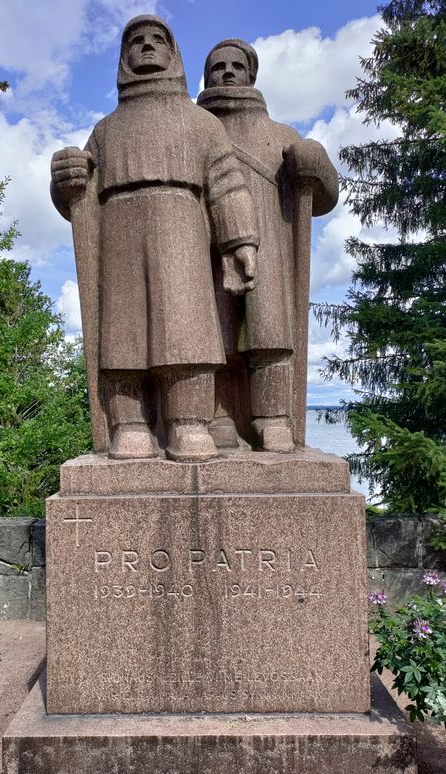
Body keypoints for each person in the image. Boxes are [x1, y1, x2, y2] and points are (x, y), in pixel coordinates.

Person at [50, 18, 259, 462]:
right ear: (124, 58)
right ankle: (129, 424)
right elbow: (78, 194)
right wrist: (65, 176)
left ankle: (188, 424)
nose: (146, 46)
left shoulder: (201, 123)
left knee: (187, 331)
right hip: (120, 232)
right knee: (123, 336)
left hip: (182, 225)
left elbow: (227, 185)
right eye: (136, 42)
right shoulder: (105, 130)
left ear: (173, 53)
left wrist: (240, 241)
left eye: (157, 40)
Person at [198, 39, 339, 451]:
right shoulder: (194, 128)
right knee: (216, 335)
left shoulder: (280, 134)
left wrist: (313, 162)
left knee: (269, 335)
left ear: (250, 75)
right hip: (205, 248)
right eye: (217, 66)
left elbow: (325, 195)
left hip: (272, 249)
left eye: (235, 66)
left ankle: (274, 419)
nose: (226, 72)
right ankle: (220, 417)